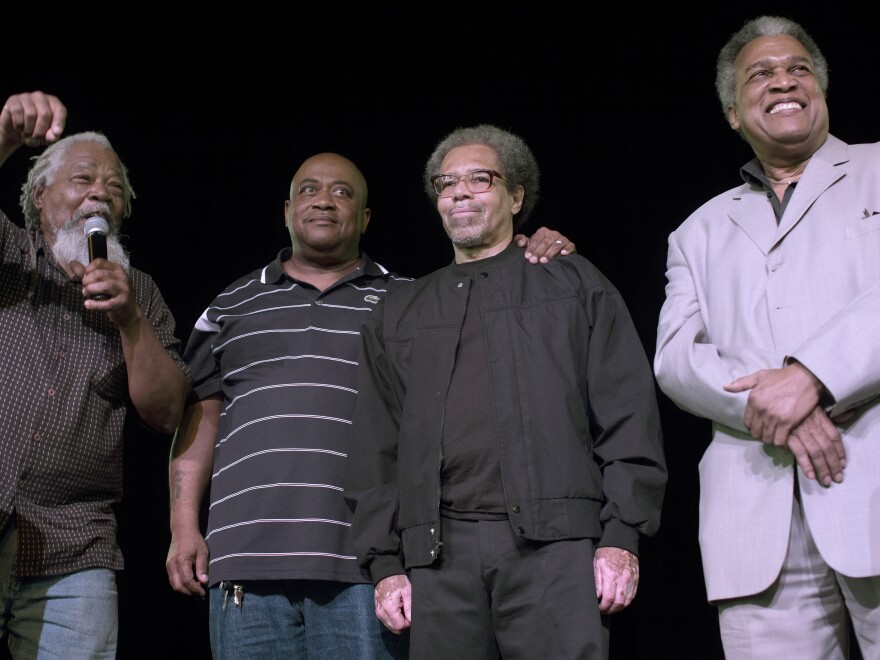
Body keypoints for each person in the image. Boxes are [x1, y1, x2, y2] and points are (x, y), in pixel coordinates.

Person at [164, 150, 575, 659]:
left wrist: (528, 249)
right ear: (287, 208)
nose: (324, 201)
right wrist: (184, 526)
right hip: (246, 564)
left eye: (343, 192)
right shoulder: (230, 304)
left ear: (365, 218)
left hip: (367, 568)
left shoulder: (410, 301)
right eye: (310, 190)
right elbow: (199, 414)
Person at [343, 124, 667, 659]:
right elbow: (375, 449)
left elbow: (629, 416)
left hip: (555, 549)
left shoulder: (572, 283)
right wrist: (385, 566)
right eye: (446, 183)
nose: (460, 192)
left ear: (516, 196)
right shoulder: (399, 312)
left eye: (479, 179)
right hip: (437, 558)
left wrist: (620, 537)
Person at [654, 15, 880, 659]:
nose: (783, 80)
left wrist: (811, 379)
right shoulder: (696, 231)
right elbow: (675, 360)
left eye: (798, 68)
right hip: (754, 514)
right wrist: (771, 408)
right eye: (761, 73)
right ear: (733, 112)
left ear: (823, 93)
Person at [0, 91, 190, 658]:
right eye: (82, 179)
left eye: (113, 188)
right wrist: (6, 137)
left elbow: (167, 413)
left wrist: (130, 321)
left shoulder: (144, 294)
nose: (98, 195)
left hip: (73, 547)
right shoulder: (10, 252)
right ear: (40, 197)